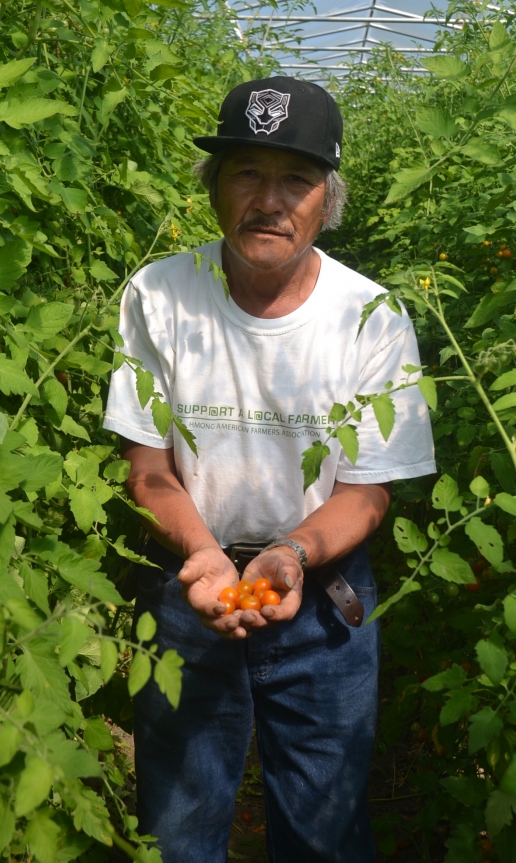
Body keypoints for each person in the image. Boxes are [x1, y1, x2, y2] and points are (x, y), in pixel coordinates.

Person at [104, 76, 436, 863]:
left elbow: (366, 492)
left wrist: (290, 552)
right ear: (213, 187)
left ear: (329, 198)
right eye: (246, 172)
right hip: (193, 589)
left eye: (296, 178)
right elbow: (147, 465)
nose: (270, 200)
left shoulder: (371, 317)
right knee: (177, 829)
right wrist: (204, 554)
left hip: (324, 601)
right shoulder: (160, 295)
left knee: (324, 835)